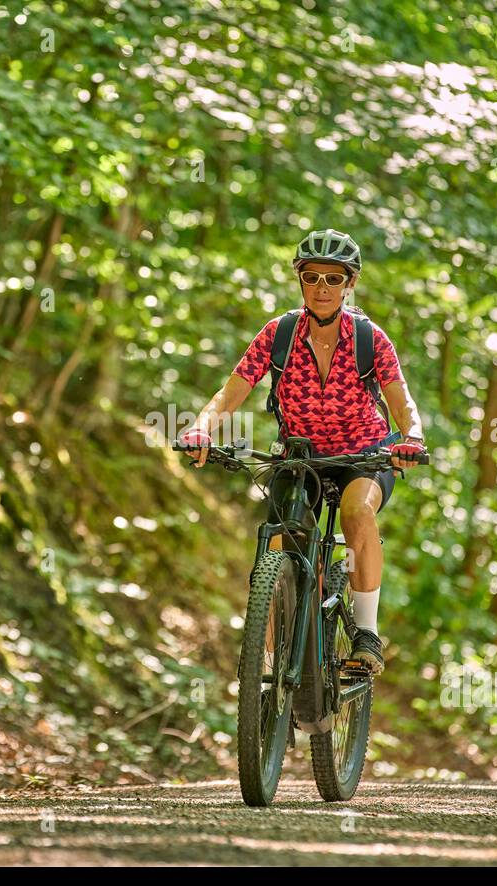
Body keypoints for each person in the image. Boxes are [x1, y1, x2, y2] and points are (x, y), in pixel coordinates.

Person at [180, 228, 426, 674]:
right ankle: (269, 668)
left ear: (350, 283)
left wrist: (413, 438)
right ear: (300, 280)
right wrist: (201, 429)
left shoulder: (370, 339)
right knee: (279, 538)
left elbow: (401, 400)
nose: (322, 288)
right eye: (312, 276)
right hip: (299, 455)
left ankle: (366, 635)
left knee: (356, 514)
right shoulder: (280, 334)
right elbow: (230, 392)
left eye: (334, 279)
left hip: (363, 456)